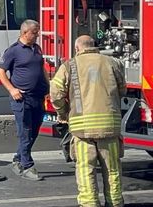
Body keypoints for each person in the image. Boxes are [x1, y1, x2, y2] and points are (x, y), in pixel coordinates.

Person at [50, 35, 126, 207]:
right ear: (94, 46)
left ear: (77, 49)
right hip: (109, 127)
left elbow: (55, 92)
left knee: (85, 169)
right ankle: (115, 203)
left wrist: (62, 113)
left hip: (82, 130)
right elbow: (122, 89)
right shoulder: (114, 63)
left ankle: (89, 203)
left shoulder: (69, 65)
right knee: (113, 169)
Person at [0, 19, 49, 181]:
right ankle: (27, 166)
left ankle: (18, 159)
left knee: (34, 131)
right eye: (35, 32)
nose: (38, 35)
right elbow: (0, 72)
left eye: (38, 32)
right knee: (24, 131)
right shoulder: (13, 51)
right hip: (22, 98)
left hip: (38, 97)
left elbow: (42, 69)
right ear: (25, 32)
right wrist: (12, 90)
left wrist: (50, 87)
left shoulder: (37, 49)